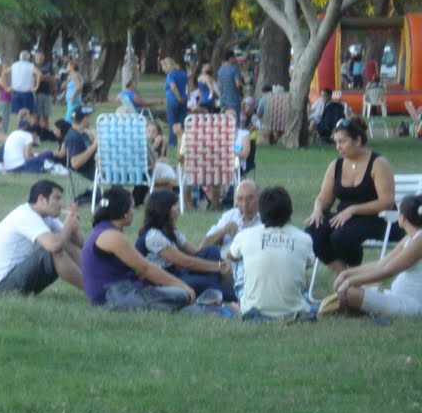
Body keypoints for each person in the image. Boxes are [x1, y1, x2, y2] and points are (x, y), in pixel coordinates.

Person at [305, 115, 401, 272]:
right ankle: (350, 278)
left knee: (341, 236)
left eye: (342, 141)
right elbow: (324, 198)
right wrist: (317, 210)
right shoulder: (335, 165)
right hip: (345, 218)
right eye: (336, 142)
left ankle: (354, 275)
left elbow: (386, 202)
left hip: (377, 218)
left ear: (357, 140)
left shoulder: (378, 163)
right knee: (312, 232)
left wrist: (352, 209)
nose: (338, 147)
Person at [81, 186, 195, 307]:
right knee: (182, 294)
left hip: (114, 292)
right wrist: (181, 285)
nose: (134, 211)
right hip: (114, 297)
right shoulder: (113, 236)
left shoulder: (102, 230)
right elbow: (145, 268)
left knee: (175, 288)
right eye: (132, 207)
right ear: (124, 212)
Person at [0, 180, 84, 295]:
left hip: (20, 276)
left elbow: (80, 245)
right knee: (53, 250)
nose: (61, 203)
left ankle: (100, 284)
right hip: (1, 286)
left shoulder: (48, 216)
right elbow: (54, 245)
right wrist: (67, 227)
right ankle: (95, 291)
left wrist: (74, 229)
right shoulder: (25, 215)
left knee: (65, 243)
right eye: (56, 198)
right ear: (41, 199)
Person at [227, 186, 313, 319]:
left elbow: (230, 256)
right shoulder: (304, 239)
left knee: (240, 260)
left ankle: (241, 304)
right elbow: (308, 263)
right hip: (294, 309)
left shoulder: (245, 236)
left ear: (261, 211)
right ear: (289, 211)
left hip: (252, 307)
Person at [329, 193, 422, 317]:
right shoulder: (410, 238)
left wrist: (350, 281)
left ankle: (358, 308)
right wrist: (346, 274)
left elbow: (388, 271)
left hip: (412, 303)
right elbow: (381, 264)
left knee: (349, 292)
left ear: (403, 218)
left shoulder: (419, 241)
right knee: (352, 287)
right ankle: (359, 307)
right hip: (395, 294)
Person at [136, 190, 235, 300]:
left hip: (176, 273)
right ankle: (231, 297)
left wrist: (221, 260)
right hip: (161, 279)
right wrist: (218, 267)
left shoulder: (171, 231)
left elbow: (196, 252)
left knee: (211, 250)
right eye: (174, 205)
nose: (178, 208)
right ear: (164, 209)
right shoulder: (153, 235)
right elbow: (185, 261)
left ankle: (212, 291)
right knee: (200, 282)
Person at [64, 107, 97, 182]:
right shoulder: (73, 137)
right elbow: (75, 164)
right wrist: (94, 146)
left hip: (95, 165)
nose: (90, 119)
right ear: (84, 119)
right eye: (89, 117)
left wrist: (95, 136)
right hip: (89, 171)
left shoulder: (81, 133)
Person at [161, 57, 187, 146]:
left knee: (172, 121)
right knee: (181, 121)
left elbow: (173, 87)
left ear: (167, 66)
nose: (162, 69)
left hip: (173, 100)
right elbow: (189, 83)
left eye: (163, 67)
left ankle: (173, 142)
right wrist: (187, 95)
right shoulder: (183, 73)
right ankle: (182, 140)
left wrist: (178, 97)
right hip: (184, 99)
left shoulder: (170, 75)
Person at [10, 51, 39, 115]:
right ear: (28, 58)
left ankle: (20, 124)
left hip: (16, 92)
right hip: (27, 92)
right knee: (28, 113)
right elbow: (39, 73)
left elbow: (4, 72)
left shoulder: (14, 65)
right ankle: (27, 124)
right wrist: (36, 86)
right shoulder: (30, 66)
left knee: (18, 114)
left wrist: (6, 86)